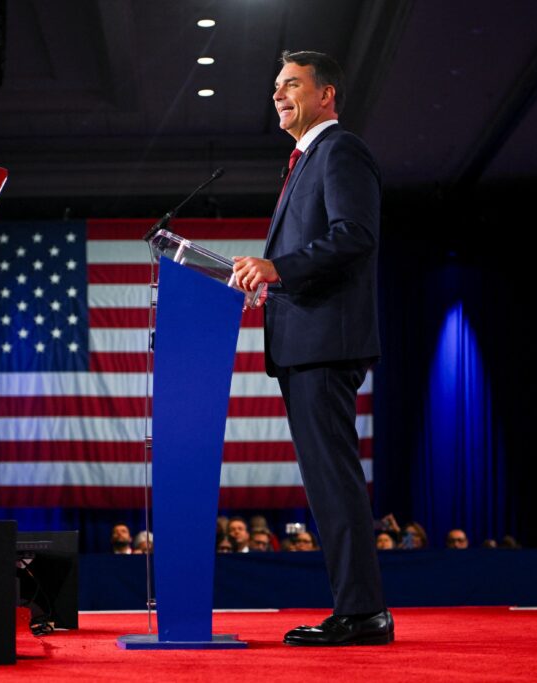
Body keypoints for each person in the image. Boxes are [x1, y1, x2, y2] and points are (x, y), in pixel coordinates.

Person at [232, 50, 390, 647]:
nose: (278, 93)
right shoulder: (302, 160)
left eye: (291, 84)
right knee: (326, 483)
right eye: (276, 85)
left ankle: (363, 613)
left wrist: (278, 268)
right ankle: (357, 607)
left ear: (326, 94)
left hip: (325, 344)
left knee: (334, 481)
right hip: (304, 343)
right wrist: (271, 285)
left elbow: (355, 235)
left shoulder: (340, 150)